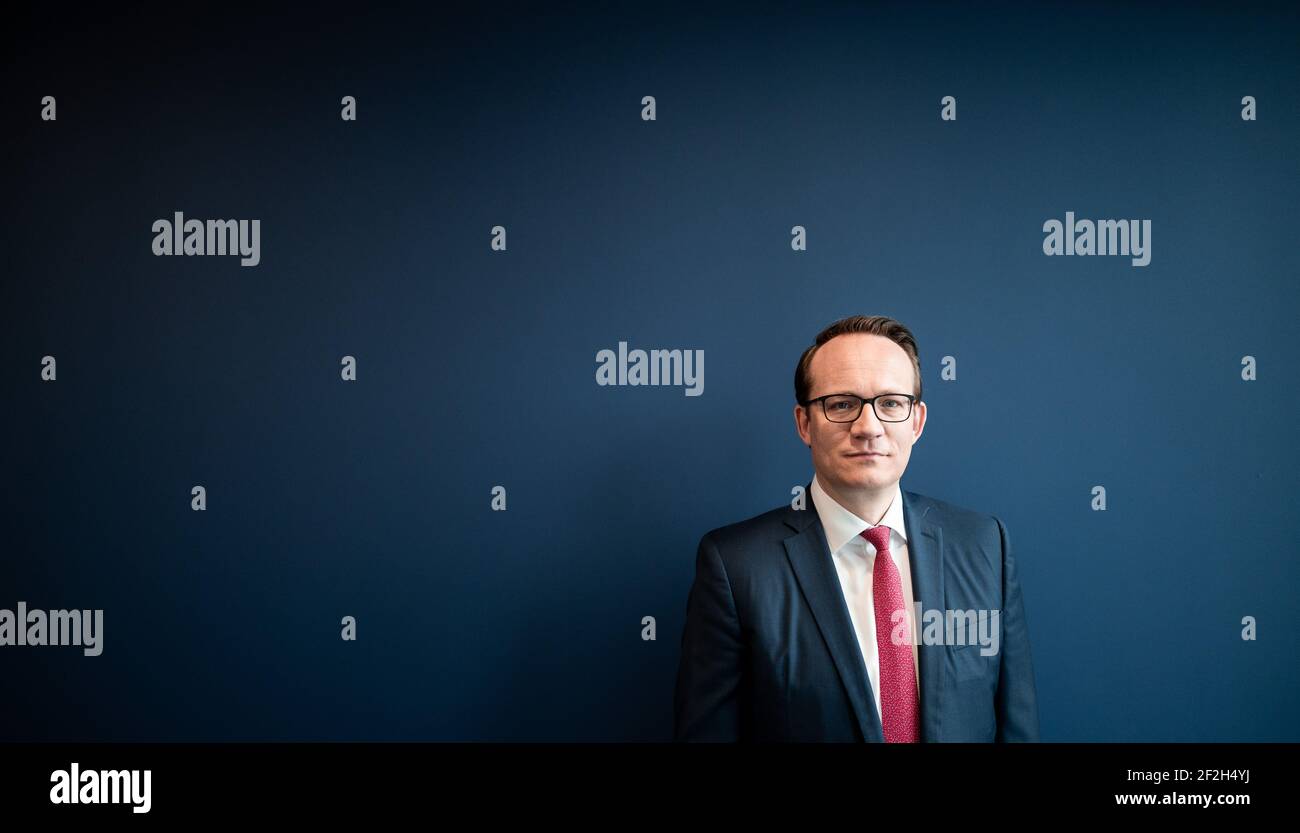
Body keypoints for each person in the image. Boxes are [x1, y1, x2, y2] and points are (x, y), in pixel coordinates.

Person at [673, 315, 1040, 742]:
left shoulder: (984, 544)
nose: (868, 427)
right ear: (804, 423)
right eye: (842, 403)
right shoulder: (735, 566)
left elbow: (1017, 727)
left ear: (917, 421)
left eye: (891, 403)